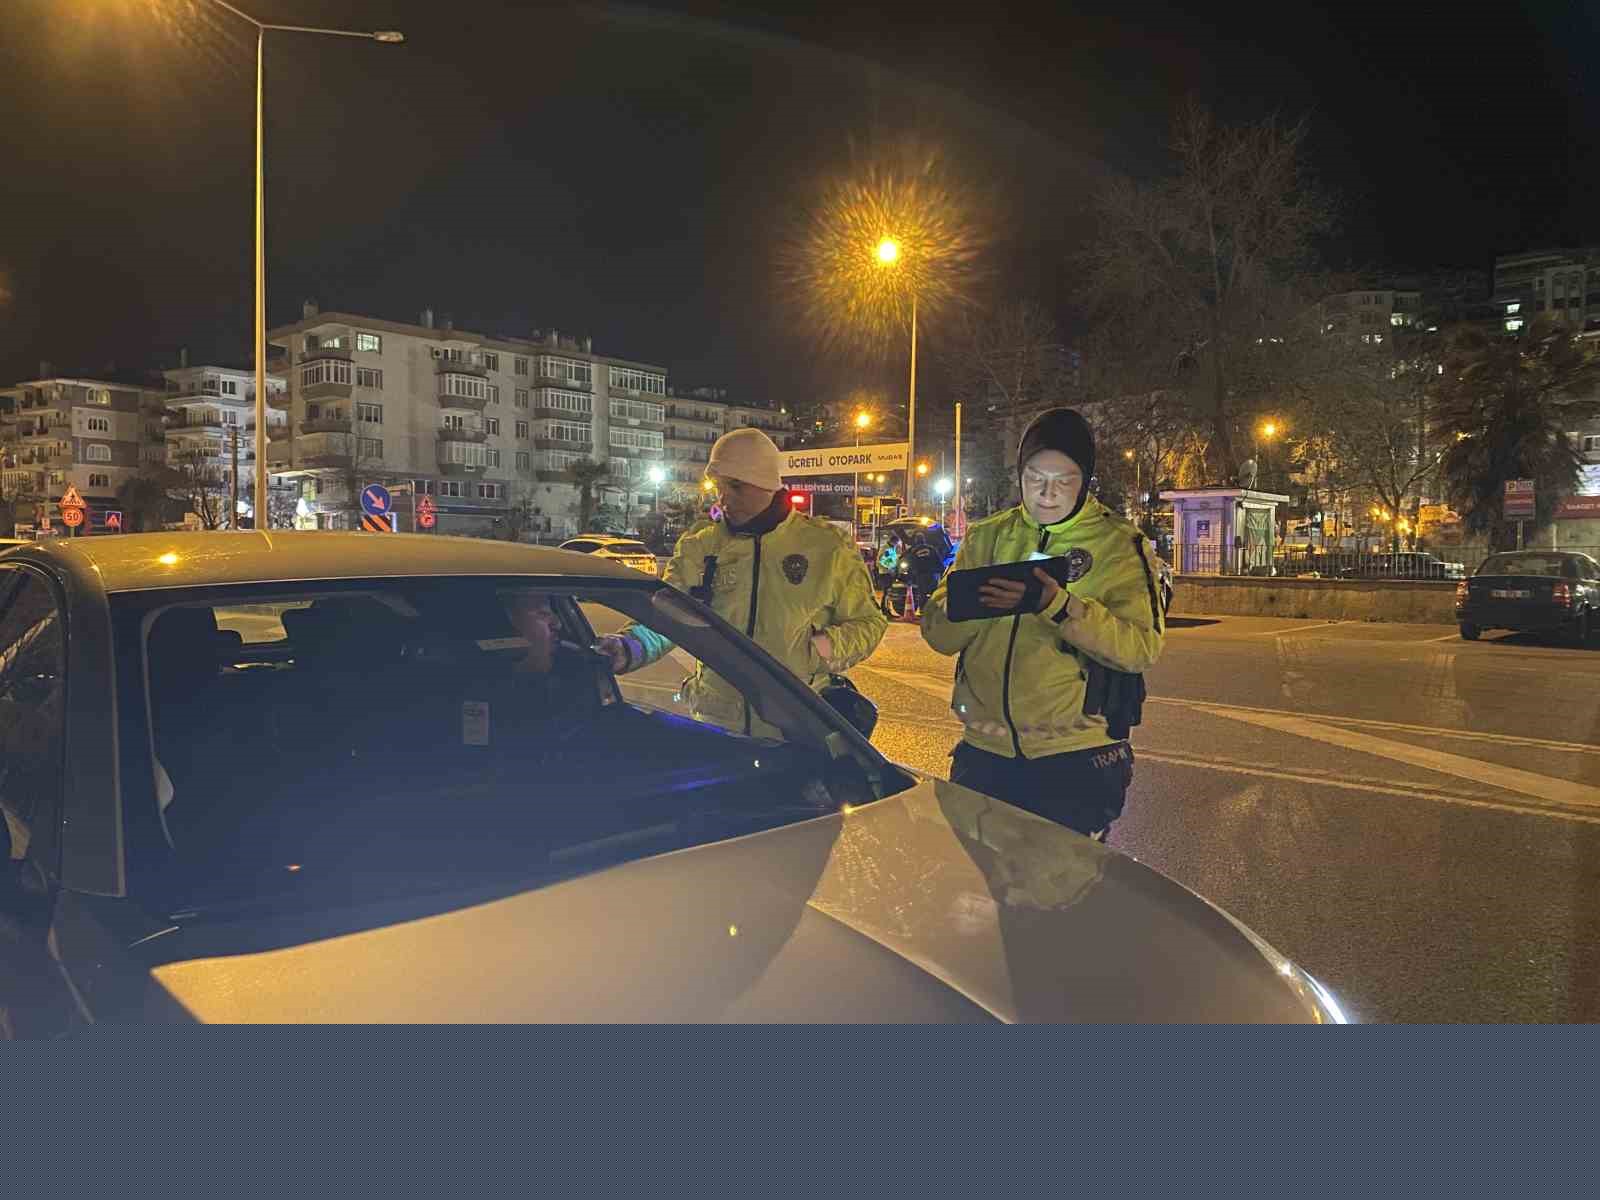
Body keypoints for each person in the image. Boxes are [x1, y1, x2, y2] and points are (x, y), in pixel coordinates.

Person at [920, 408, 1166, 841]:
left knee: (1061, 900)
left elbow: (1139, 647)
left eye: (1064, 480)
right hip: (984, 753)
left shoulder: (1119, 544)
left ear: (1085, 480)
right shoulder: (987, 536)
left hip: (1073, 759)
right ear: (1019, 474)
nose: (1047, 493)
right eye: (1035, 478)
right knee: (980, 897)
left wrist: (1057, 605)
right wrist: (971, 603)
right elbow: (938, 635)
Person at [596, 428, 888, 737]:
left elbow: (868, 623)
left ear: (765, 484)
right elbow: (668, 616)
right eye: (720, 486)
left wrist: (816, 650)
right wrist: (629, 647)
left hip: (798, 726)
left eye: (736, 486)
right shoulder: (701, 546)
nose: (724, 498)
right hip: (717, 729)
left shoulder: (827, 546)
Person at [907, 532, 943, 617]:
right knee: (933, 592)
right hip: (932, 574)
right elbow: (938, 560)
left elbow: (912, 564)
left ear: (916, 540)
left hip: (921, 575)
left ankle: (923, 610)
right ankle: (934, 609)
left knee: (922, 593)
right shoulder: (931, 549)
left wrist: (910, 577)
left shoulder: (914, 551)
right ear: (924, 540)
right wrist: (941, 571)